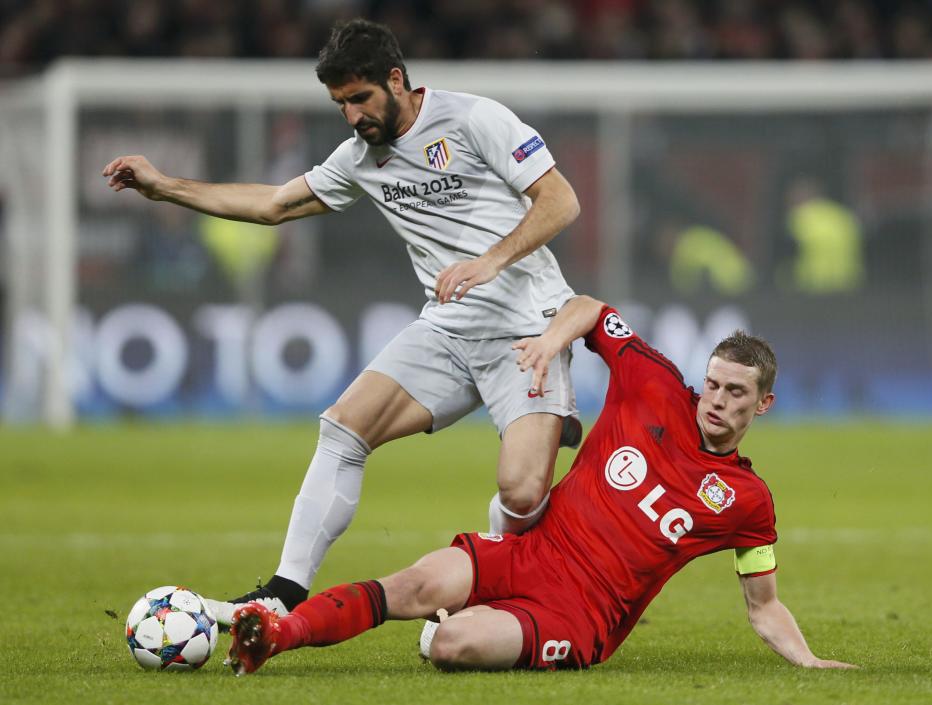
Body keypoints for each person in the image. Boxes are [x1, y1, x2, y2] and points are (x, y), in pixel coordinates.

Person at [102, 18, 582, 624]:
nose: (353, 116)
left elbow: (561, 200)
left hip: (529, 331)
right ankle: (281, 595)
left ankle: (499, 581)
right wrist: (165, 187)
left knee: (520, 491)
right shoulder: (360, 158)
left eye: (360, 98)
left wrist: (490, 261)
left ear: (396, 79)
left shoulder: (475, 119)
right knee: (343, 427)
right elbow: (274, 204)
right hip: (448, 329)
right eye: (340, 104)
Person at [226, 295, 857, 674]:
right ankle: (277, 634)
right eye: (713, 383)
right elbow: (592, 310)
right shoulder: (654, 384)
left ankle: (474, 622)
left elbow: (764, 605)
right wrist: (558, 335)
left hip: (582, 616)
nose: (714, 400)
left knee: (451, 644)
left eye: (735, 392)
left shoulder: (747, 502)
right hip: (530, 552)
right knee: (414, 585)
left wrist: (809, 662)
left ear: (764, 404)